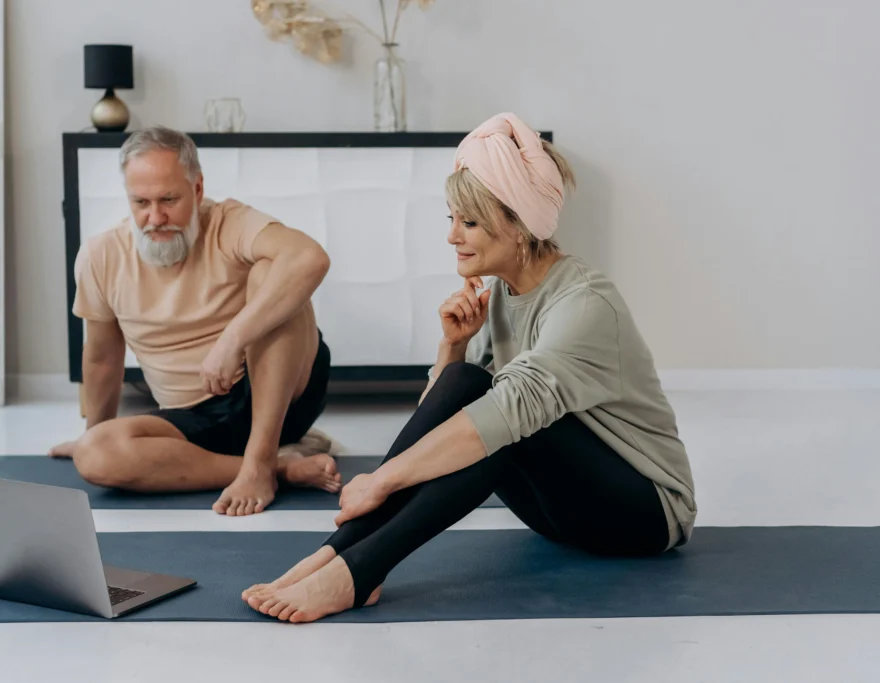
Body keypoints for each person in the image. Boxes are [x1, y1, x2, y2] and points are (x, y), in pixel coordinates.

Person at [242, 113, 697, 622]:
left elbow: (498, 418)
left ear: (519, 226)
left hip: (644, 514)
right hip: (560, 513)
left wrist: (383, 479)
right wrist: (452, 349)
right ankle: (339, 556)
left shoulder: (585, 303)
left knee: (505, 422)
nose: (453, 236)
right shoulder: (502, 294)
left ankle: (357, 569)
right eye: (451, 218)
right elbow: (444, 417)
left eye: (471, 222)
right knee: (469, 385)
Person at [50, 125, 341, 516]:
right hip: (191, 423)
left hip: (278, 396)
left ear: (197, 189)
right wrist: (94, 434)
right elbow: (102, 358)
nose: (155, 217)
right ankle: (280, 465)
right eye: (141, 202)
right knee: (95, 455)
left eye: (169, 199)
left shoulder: (229, 221)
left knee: (273, 270)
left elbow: (310, 258)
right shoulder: (101, 256)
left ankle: (259, 461)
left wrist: (233, 339)